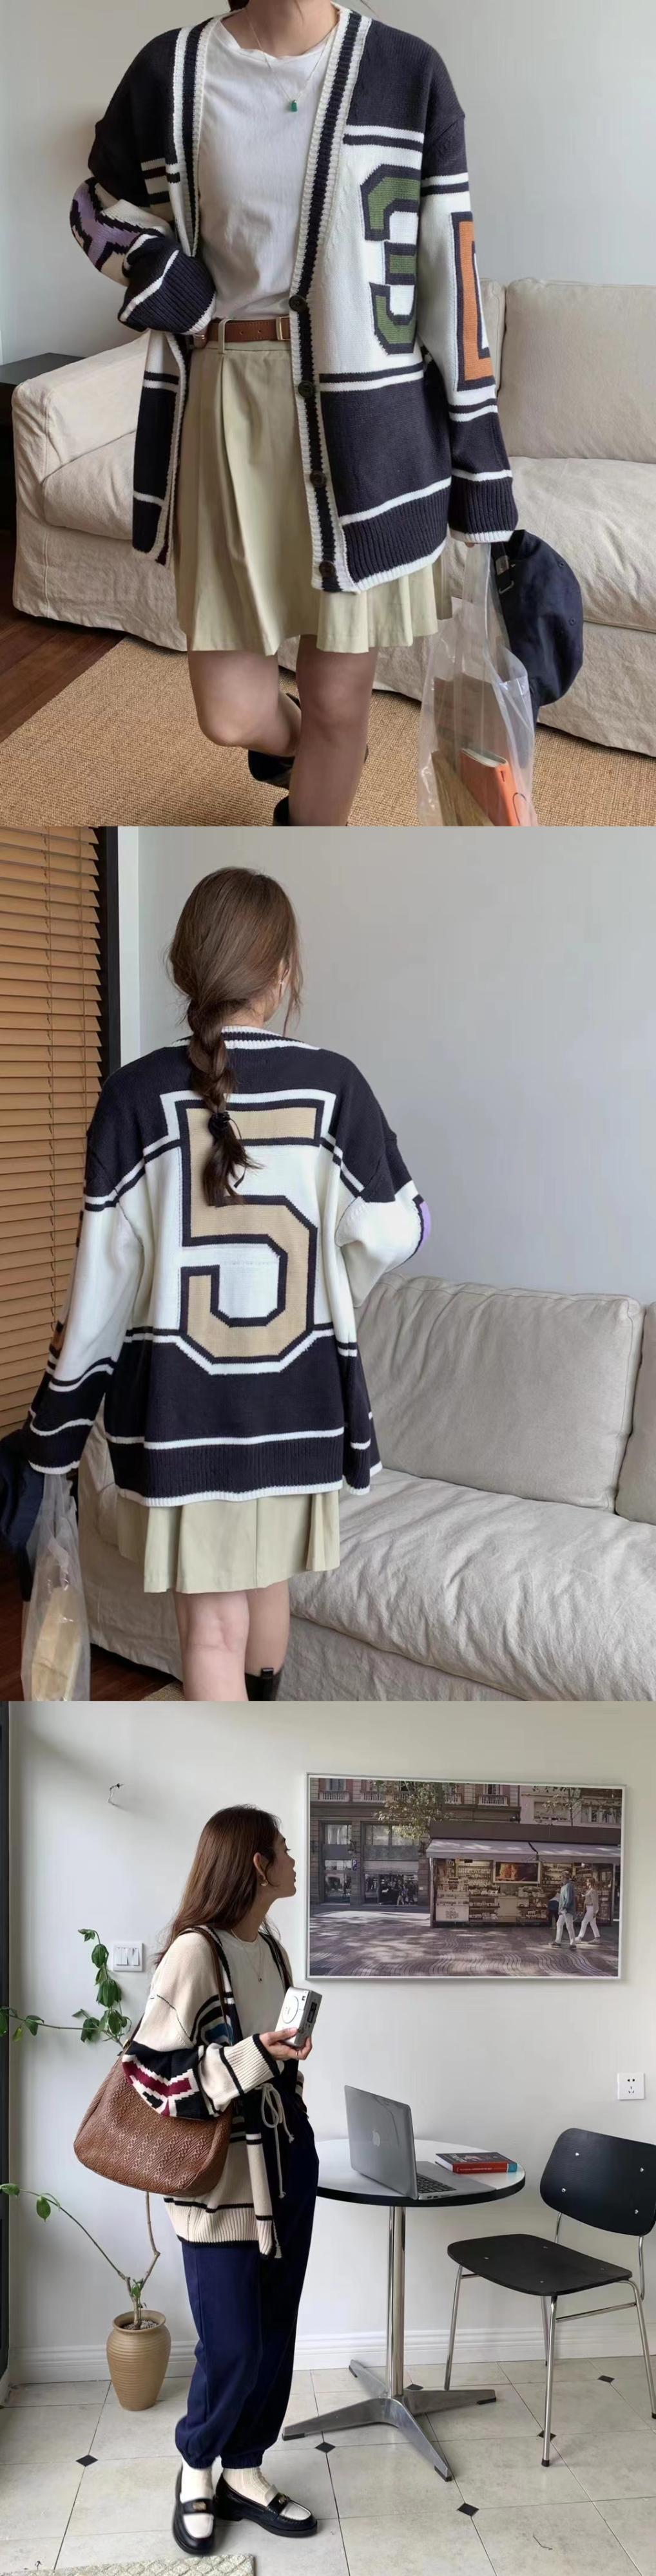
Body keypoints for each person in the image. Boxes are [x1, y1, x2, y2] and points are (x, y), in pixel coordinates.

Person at [69, 1, 517, 826]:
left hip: (370, 430)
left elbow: (450, 276)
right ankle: (314, 749)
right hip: (226, 410)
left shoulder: (407, 72)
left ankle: (314, 830)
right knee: (228, 710)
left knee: (340, 699)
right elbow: (96, 207)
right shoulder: (171, 70)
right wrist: (171, 282)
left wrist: (481, 466)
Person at [24, 868, 427, 1702]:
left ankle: (234, 1779)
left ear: (185, 968)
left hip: (183, 1412)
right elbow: (396, 1229)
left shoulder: (132, 1097)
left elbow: (102, 1287)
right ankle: (259, 1747)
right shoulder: (336, 1085)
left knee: (209, 1630)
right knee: (267, 1585)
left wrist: (55, 1427)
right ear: (281, 972)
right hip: (300, 1401)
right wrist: (333, 1281)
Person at [122, 1805, 319, 2554]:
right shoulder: (194, 1953)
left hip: (286, 2156)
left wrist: (283, 2059)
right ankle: (196, 2465)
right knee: (231, 2342)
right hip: (222, 2179)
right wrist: (257, 2057)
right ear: (257, 1865)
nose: (293, 1860)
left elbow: (269, 2061)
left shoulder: (270, 1949)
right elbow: (150, 2075)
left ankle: (244, 2468)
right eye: (283, 1850)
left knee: (273, 2333)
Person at [575, 1879, 601, 1943]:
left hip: (591, 1908)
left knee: (584, 1922)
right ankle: (597, 1938)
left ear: (590, 1883)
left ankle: (580, 1937)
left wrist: (595, 1912)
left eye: (587, 1882)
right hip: (590, 1908)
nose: (586, 1883)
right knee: (593, 1924)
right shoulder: (590, 1890)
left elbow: (595, 1902)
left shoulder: (592, 1891)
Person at [554, 1876, 576, 1947]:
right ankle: (558, 1942)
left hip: (567, 1909)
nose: (561, 1879)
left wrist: (564, 1907)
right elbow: (562, 1900)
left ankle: (573, 1944)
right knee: (559, 1924)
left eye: (562, 1877)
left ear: (565, 1878)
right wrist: (560, 1909)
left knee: (569, 1926)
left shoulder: (569, 1886)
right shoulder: (564, 1887)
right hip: (563, 1909)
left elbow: (568, 1898)